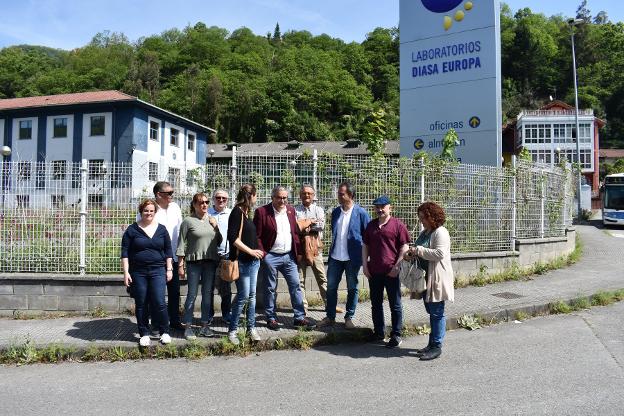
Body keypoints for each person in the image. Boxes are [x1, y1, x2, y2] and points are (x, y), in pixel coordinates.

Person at [255, 186, 316, 331]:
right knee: (269, 288)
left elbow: (294, 232)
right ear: (272, 197)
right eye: (279, 197)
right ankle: (271, 318)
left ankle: (299, 318)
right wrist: (264, 254)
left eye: (284, 198)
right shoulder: (262, 212)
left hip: (289, 256)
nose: (282, 200)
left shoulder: (290, 210)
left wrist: (297, 252)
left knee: (295, 286)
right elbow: (257, 236)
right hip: (271, 256)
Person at [404, 201, 454, 361]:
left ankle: (436, 346)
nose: (421, 221)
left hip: (437, 278)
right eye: (420, 218)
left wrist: (418, 250)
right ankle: (431, 344)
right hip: (425, 279)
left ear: (432, 216)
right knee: (431, 311)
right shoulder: (426, 232)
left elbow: (439, 253)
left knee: (437, 312)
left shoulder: (441, 232)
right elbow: (418, 249)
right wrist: (410, 253)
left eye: (423, 217)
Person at [122, 199, 173, 347]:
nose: (148, 213)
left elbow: (168, 251)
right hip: (138, 272)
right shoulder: (132, 230)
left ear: (155, 212)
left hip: (158, 270)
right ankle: (144, 333)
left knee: (159, 302)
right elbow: (124, 253)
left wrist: (169, 269)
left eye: (151, 210)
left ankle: (165, 332)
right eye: (146, 210)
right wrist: (126, 273)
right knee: (141, 303)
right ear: (141, 212)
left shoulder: (162, 229)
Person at [319, 182, 370, 329]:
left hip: (352, 258)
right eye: (339, 193)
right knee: (331, 287)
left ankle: (349, 317)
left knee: (352, 287)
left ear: (350, 195)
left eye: (342, 194)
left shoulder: (361, 213)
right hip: (335, 257)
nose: (339, 196)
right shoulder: (335, 212)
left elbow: (367, 236)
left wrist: (366, 257)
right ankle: (330, 317)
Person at [362, 196, 410, 348]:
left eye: (383, 206)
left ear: (390, 208)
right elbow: (365, 246)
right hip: (374, 271)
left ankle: (396, 335)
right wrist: (364, 265)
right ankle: (379, 333)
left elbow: (405, 246)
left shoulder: (398, 225)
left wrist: (397, 266)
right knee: (376, 304)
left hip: (391, 272)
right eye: (377, 206)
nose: (380, 209)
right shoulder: (371, 226)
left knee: (395, 304)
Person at [138, 181, 184, 332]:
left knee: (174, 291)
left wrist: (181, 256)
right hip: (156, 259)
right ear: (158, 194)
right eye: (169, 193)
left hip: (174, 257)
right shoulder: (150, 210)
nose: (172, 195)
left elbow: (181, 233)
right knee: (156, 294)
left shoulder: (175, 208)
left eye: (172, 192)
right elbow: (141, 231)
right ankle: (157, 324)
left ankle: (175, 321)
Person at [177, 193, 222, 339]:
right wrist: (180, 264)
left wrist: (216, 227)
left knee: (207, 295)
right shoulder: (188, 221)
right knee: (192, 295)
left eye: (206, 202)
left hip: (210, 262)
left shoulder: (212, 220)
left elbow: (219, 241)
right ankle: (188, 327)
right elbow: (181, 243)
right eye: (201, 202)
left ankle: (204, 326)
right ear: (194, 204)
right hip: (193, 263)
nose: (204, 205)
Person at [294, 184, 340, 313]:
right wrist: (310, 222)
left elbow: (320, 226)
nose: (306, 195)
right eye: (304, 193)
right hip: (300, 248)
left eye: (309, 193)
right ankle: (303, 307)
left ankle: (329, 305)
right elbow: (295, 228)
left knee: (322, 278)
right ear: (300, 195)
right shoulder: (295, 210)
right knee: (299, 280)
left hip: (315, 248)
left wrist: (304, 224)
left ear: (313, 196)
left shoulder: (319, 209)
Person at [227, 184, 264, 345]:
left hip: (253, 262)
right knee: (243, 296)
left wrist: (257, 252)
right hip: (242, 262)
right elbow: (233, 238)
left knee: (252, 296)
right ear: (250, 196)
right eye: (255, 196)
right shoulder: (236, 212)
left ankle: (251, 328)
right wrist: (251, 251)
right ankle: (233, 331)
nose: (256, 199)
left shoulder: (246, 213)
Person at [207, 189, 233, 324]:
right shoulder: (207, 213)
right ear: (213, 199)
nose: (221, 200)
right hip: (209, 255)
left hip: (226, 255)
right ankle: (209, 316)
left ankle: (226, 314)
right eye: (218, 197)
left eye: (224, 198)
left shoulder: (231, 213)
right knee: (209, 287)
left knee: (226, 288)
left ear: (227, 200)